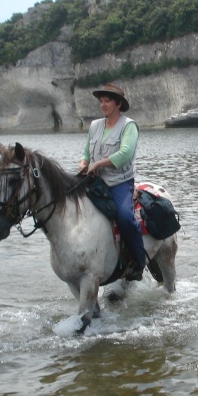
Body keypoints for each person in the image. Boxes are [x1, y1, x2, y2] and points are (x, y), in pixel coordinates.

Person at [78, 83, 146, 281]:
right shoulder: (94, 126)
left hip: (120, 182)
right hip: (95, 181)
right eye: (101, 101)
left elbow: (125, 154)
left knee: (125, 216)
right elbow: (85, 153)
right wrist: (83, 163)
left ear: (118, 103)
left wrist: (97, 163)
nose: (103, 104)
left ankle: (138, 262)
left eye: (107, 101)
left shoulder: (129, 126)